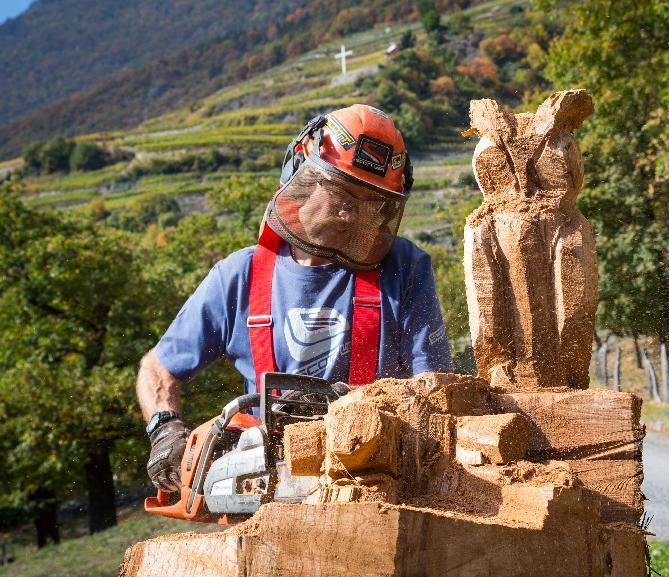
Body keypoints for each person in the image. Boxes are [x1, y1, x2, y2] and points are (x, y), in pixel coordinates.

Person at [136, 105, 453, 492]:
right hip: (266, 484)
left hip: (372, 478)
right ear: (302, 171)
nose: (350, 215)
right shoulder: (239, 276)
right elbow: (157, 367)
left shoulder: (405, 268)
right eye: (340, 192)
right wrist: (165, 428)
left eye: (371, 204)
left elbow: (434, 386)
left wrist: (362, 406)